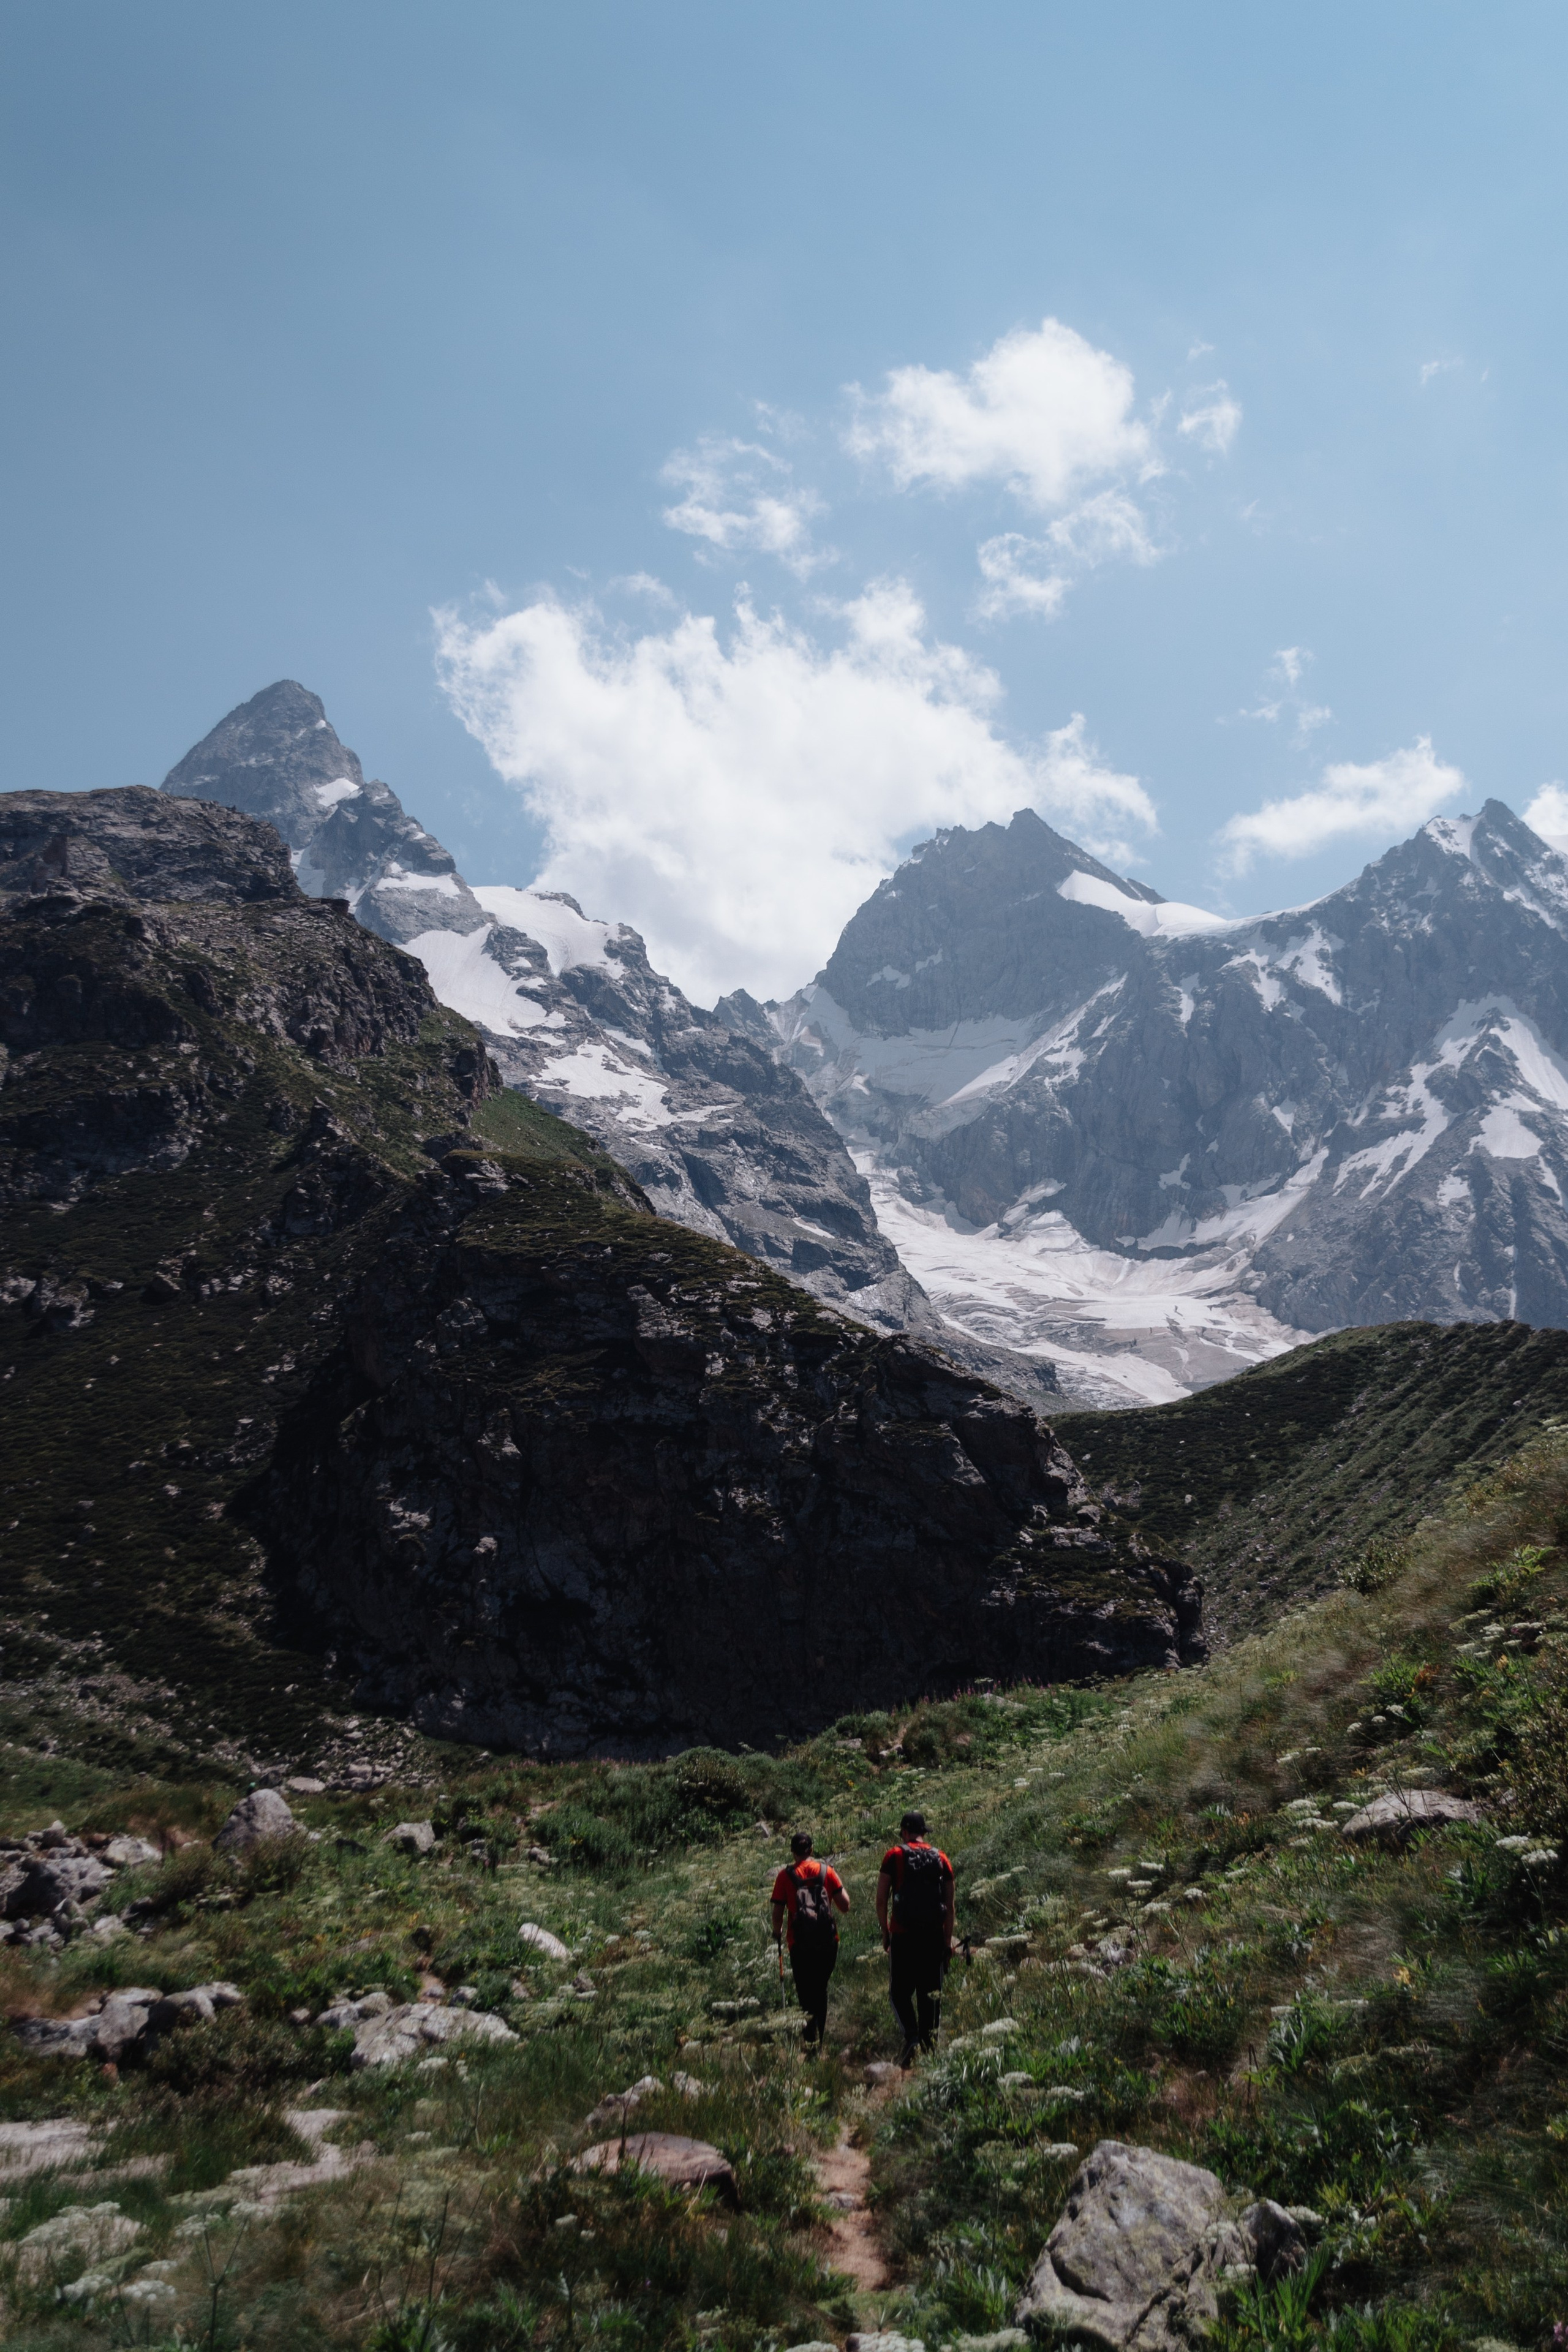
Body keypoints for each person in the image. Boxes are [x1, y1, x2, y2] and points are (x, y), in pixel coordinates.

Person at [875, 1809, 954, 2064]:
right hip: (932, 1936)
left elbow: (881, 1899)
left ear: (905, 1832)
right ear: (923, 1833)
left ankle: (911, 2037)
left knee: (899, 1993)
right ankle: (930, 2050)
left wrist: (886, 1933)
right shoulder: (942, 1857)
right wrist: (947, 1941)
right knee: (930, 1994)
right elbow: (950, 1905)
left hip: (903, 1935)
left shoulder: (894, 1855)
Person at [771, 1830, 850, 2051]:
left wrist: (777, 1932)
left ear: (792, 1851)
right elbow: (845, 1906)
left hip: (799, 1944)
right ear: (812, 1850)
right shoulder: (826, 1871)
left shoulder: (785, 1876)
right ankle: (822, 2039)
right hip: (827, 1941)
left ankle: (810, 2043)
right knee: (821, 1989)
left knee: (805, 1994)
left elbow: (778, 1911)